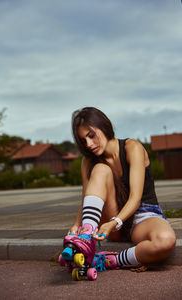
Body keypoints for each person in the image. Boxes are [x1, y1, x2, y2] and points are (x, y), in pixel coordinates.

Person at [65, 107, 176, 270]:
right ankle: (86, 236)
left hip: (142, 216)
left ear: (103, 126)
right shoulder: (88, 161)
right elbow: (86, 199)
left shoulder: (132, 147)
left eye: (91, 136)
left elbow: (135, 198)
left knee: (166, 240)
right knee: (101, 169)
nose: (89, 144)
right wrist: (76, 226)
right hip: (111, 216)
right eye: (84, 141)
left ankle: (111, 260)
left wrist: (115, 223)